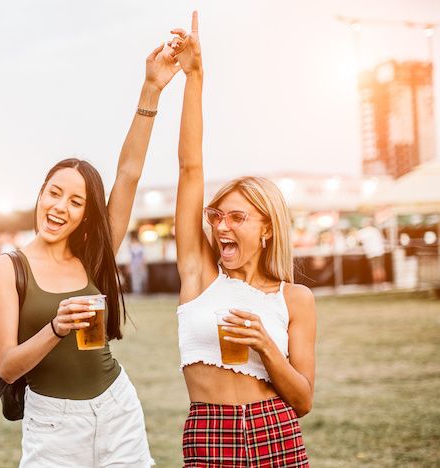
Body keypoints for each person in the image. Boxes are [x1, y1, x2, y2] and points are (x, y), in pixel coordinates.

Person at [0, 37, 182, 468]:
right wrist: (56, 327)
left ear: (85, 215)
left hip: (116, 409)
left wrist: (151, 90)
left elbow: (128, 174)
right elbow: (8, 368)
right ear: (39, 194)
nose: (60, 207)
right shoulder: (8, 268)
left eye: (76, 202)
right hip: (53, 426)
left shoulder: (93, 255)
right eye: (54, 193)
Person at [172, 12, 315, 467]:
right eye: (217, 216)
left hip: (276, 430)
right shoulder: (198, 273)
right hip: (209, 432)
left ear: (267, 227)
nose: (221, 227)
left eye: (238, 217)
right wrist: (194, 77)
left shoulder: (296, 299)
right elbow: (190, 169)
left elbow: (303, 399)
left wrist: (265, 345)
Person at [357, 219, 386, 288]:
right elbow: (382, 240)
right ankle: (382, 284)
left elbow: (358, 241)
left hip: (371, 252)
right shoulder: (375, 230)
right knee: (380, 268)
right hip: (379, 251)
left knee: (375, 269)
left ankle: (377, 284)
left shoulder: (362, 232)